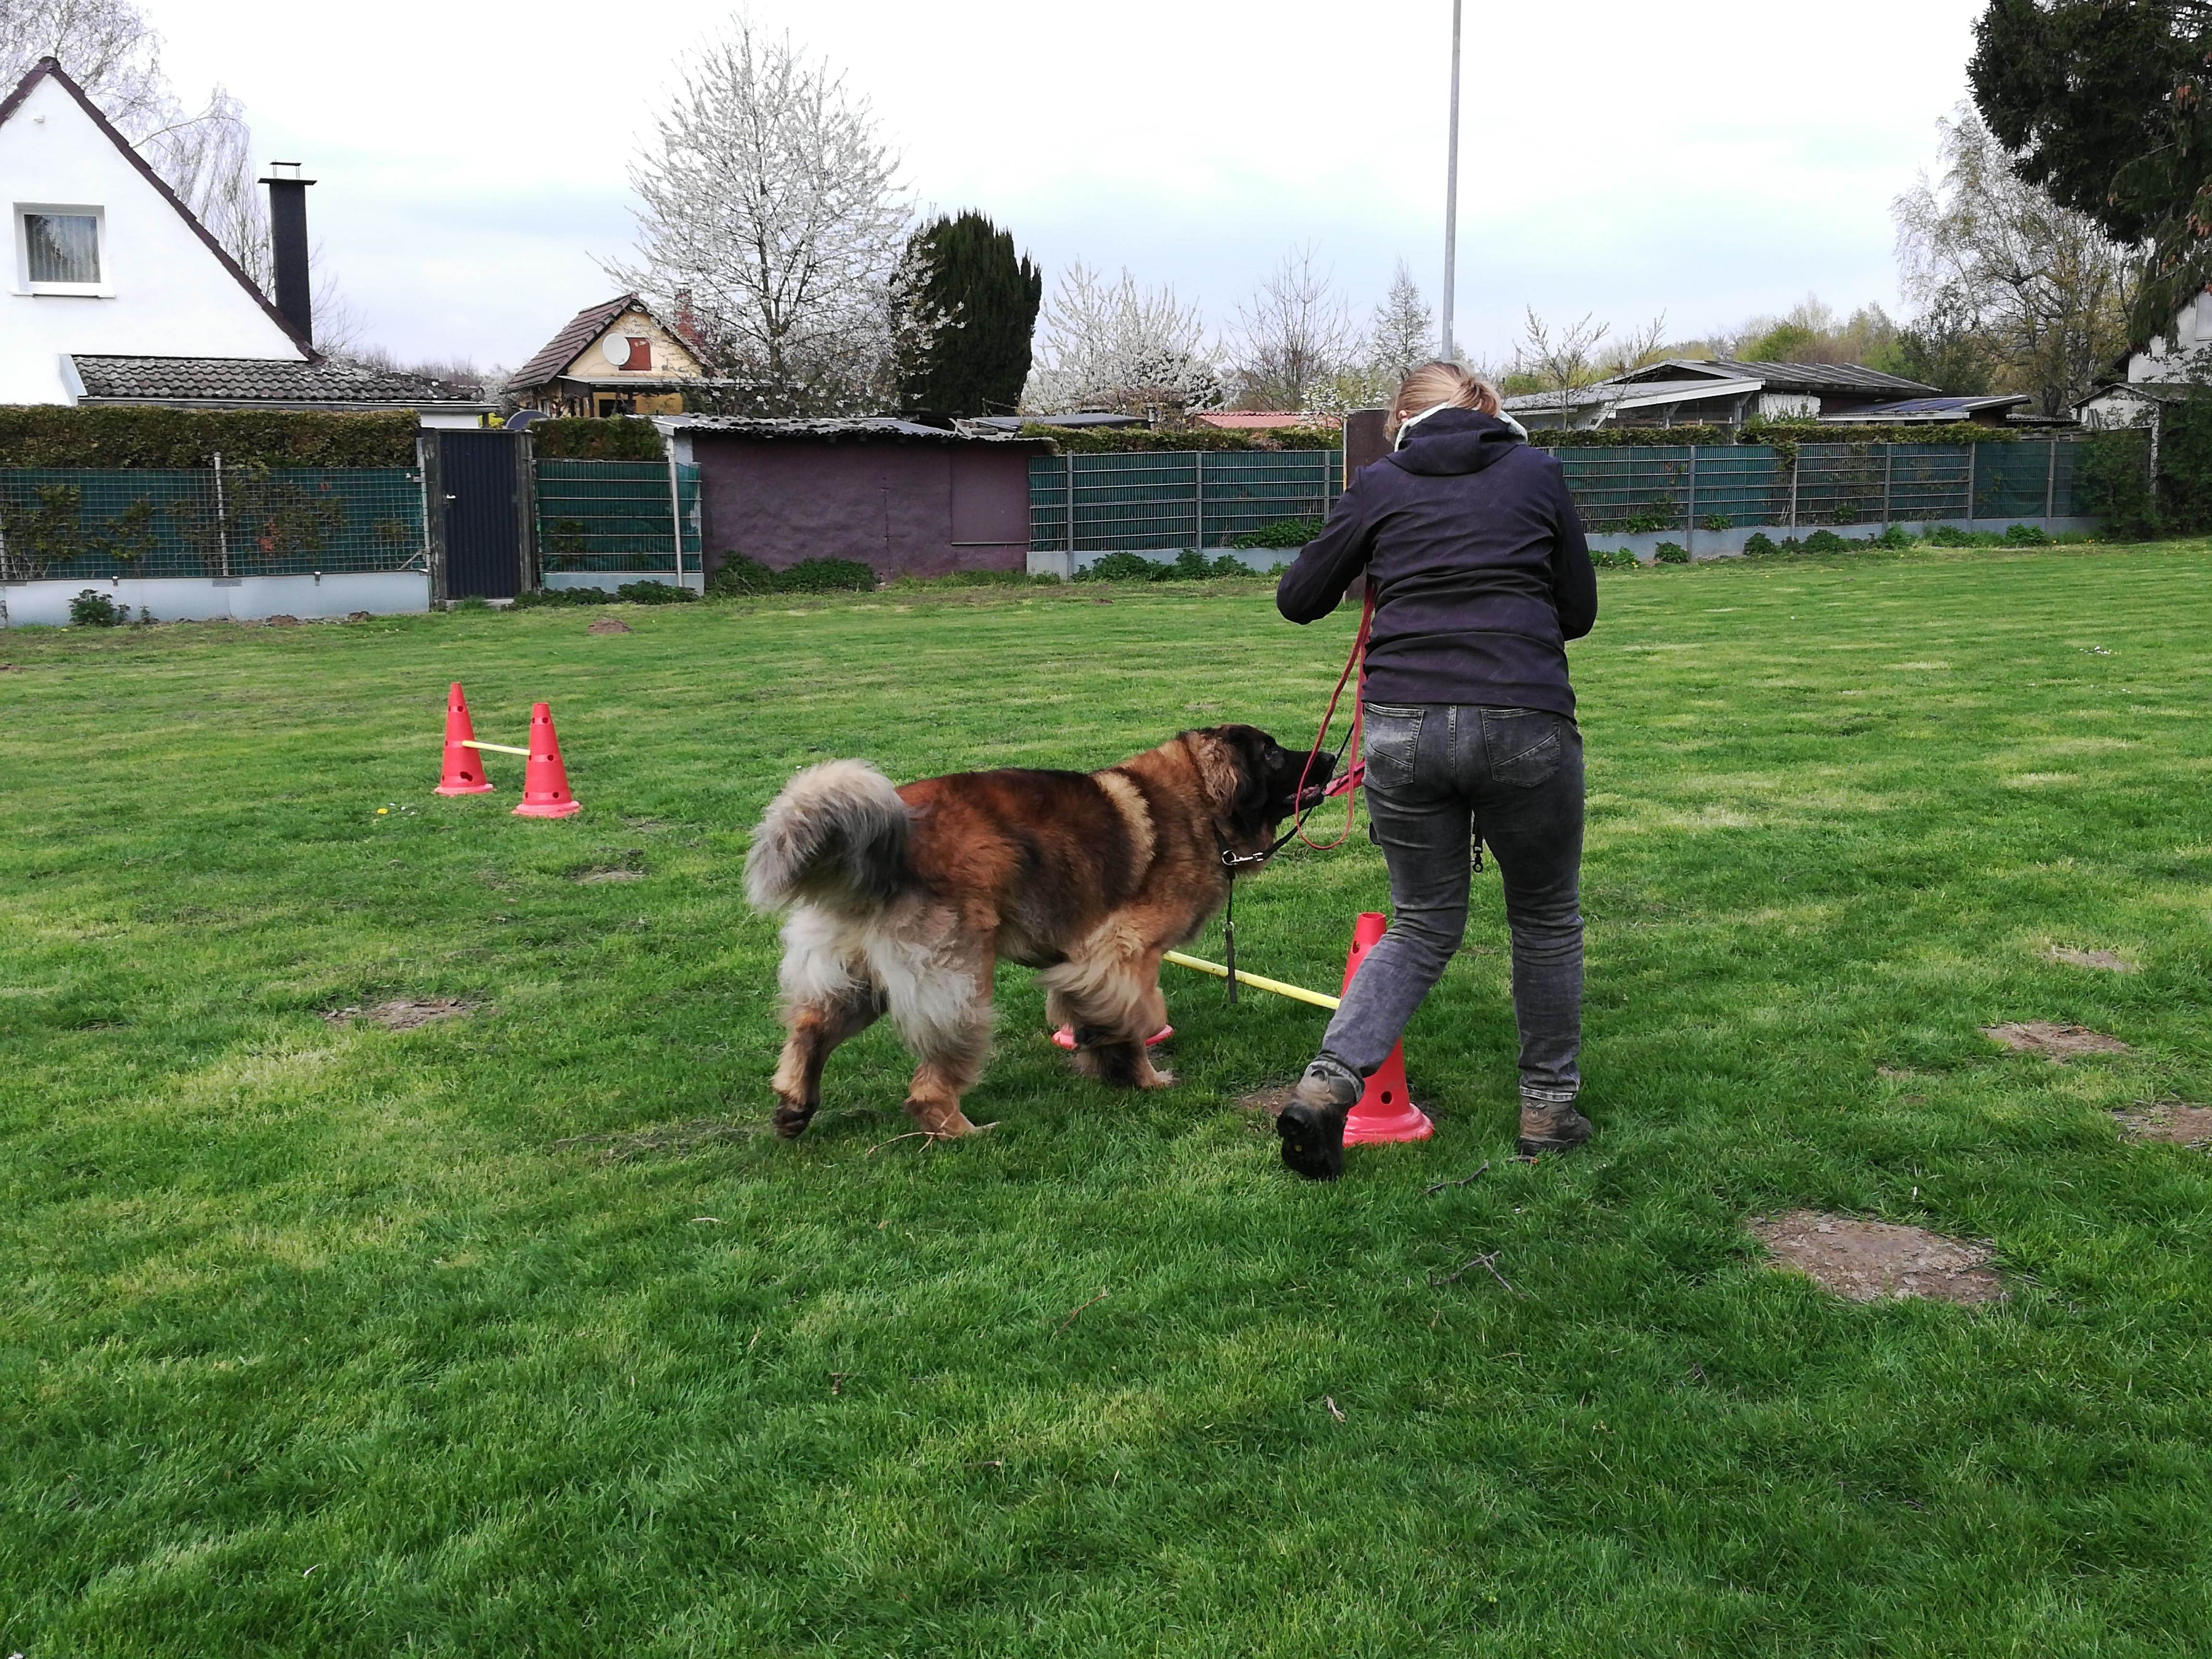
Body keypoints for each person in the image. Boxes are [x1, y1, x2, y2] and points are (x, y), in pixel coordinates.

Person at [1273, 362, 1597, 1180]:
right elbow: (1579, 612)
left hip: (1404, 727)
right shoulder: (1539, 472)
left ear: (1401, 420)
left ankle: (1327, 1084)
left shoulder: (1380, 484)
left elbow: (1299, 598)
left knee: (1421, 924)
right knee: (1545, 919)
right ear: (1489, 411)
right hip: (1525, 715)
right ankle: (1548, 1110)